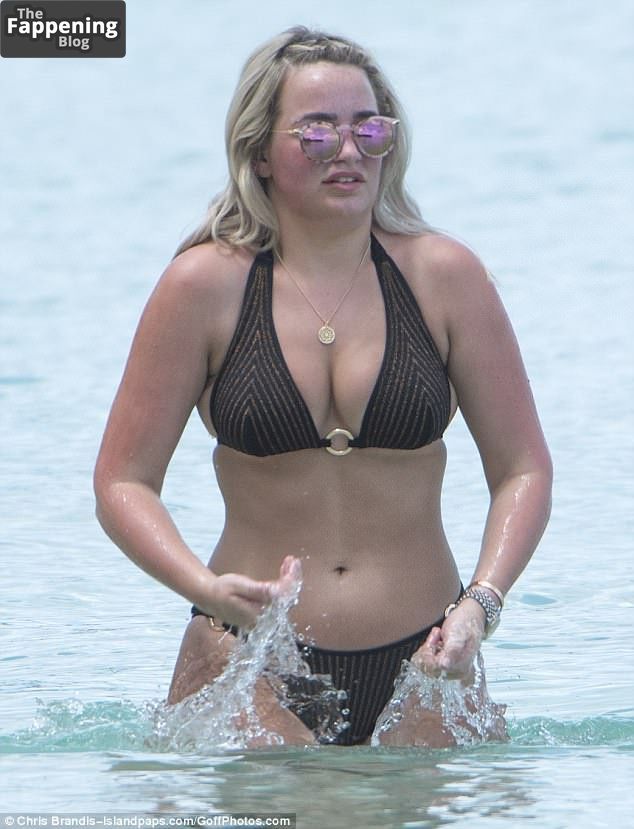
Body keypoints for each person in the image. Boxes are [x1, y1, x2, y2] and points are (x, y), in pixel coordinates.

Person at [93, 26, 552, 747]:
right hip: (246, 657)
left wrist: (480, 605)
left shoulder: (445, 277)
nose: (348, 150)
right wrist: (202, 588)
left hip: (427, 662)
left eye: (369, 129)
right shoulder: (203, 286)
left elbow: (523, 468)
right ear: (258, 152)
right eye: (316, 132)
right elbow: (122, 482)